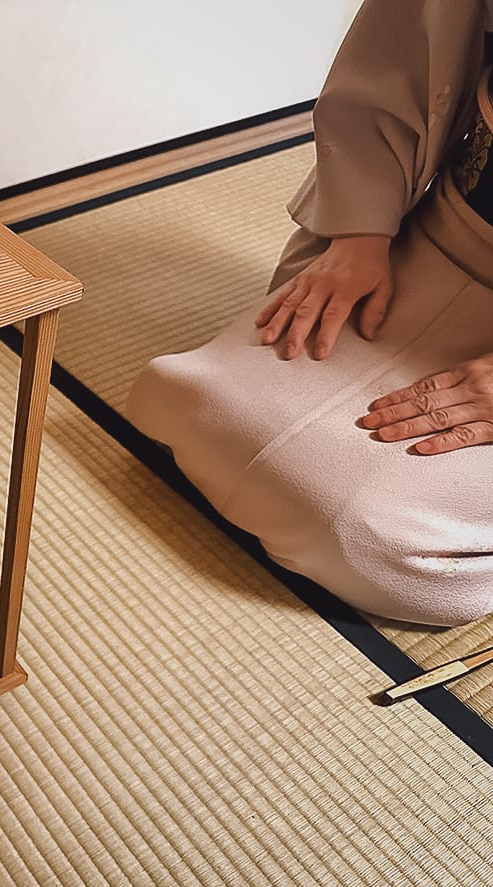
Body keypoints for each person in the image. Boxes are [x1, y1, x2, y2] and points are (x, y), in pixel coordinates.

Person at [126, 0, 493, 625]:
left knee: (375, 538)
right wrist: (361, 233)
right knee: (185, 396)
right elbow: (399, 51)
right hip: (442, 233)